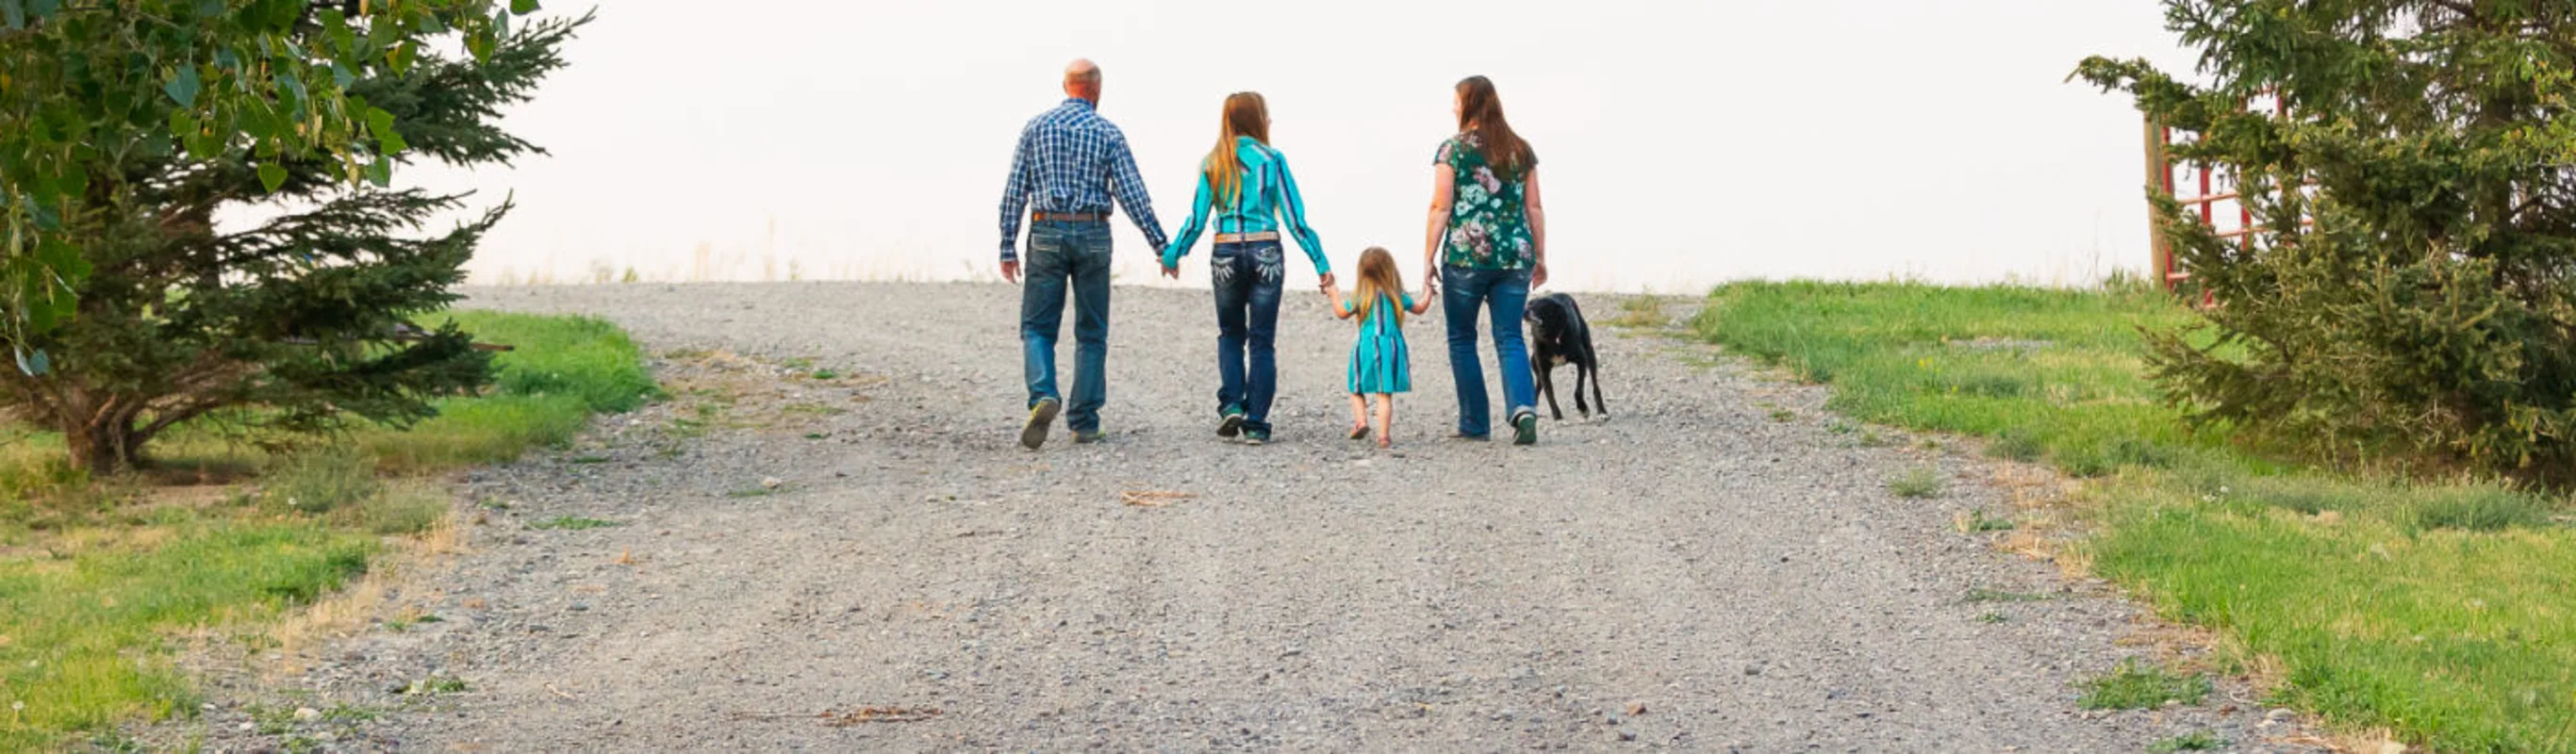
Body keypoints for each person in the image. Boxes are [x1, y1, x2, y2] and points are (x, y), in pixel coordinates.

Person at [998, 59, 1167, 450]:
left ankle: (1043, 394)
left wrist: (1008, 245)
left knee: (1038, 327)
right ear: (1096, 89)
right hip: (1093, 231)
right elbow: (1132, 194)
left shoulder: (1035, 127)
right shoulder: (1107, 132)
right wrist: (1161, 245)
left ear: (1065, 86)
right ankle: (1085, 422)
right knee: (1091, 332)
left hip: (1046, 230)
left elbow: (1014, 191)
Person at [1160, 92, 1335, 446]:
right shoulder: (1273, 160)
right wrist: (1321, 263)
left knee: (1230, 334)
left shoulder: (1213, 162)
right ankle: (1256, 422)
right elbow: (1295, 217)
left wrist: (1173, 254)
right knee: (1261, 340)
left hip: (1225, 250)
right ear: (1257, 119)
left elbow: (1196, 218)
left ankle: (1231, 405)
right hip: (1265, 248)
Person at [1424, 75, 1549, 446]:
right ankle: (1524, 408)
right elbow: (1535, 207)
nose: (1452, 107)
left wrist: (1428, 257)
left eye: (1456, 101)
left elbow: (1440, 206)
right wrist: (1540, 256)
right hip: (1514, 256)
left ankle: (1475, 423)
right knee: (1510, 336)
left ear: (1468, 104)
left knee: (1462, 338)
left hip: (1466, 256)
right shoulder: (1520, 150)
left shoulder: (1452, 151)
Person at [1325, 247, 1433, 450]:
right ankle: (1384, 437)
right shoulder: (1396, 295)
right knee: (1384, 393)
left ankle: (1361, 422)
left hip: (1365, 346)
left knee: (1356, 388)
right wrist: (1428, 290)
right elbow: (1420, 308)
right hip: (1390, 347)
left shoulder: (1361, 295)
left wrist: (1333, 293)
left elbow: (1341, 312)